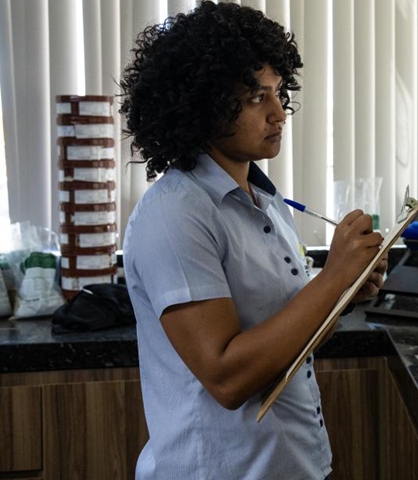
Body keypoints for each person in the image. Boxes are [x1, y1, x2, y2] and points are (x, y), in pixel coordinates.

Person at [119, 2, 387, 479]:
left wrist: (343, 294)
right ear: (202, 103)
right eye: (254, 97)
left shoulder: (264, 201)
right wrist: (333, 278)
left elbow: (288, 338)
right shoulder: (174, 212)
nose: (278, 113)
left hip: (295, 464)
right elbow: (226, 376)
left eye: (278, 93)